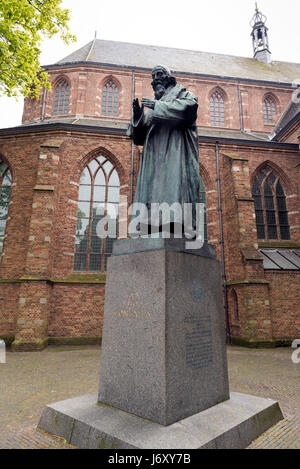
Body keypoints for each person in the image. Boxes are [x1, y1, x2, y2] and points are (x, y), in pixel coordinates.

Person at [127, 65, 201, 236]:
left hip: (174, 153)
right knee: (153, 191)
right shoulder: (153, 108)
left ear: (169, 77)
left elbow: (189, 110)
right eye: (153, 76)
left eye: (159, 74)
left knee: (172, 186)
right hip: (153, 158)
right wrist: (138, 117)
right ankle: (149, 224)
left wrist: (157, 105)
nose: (156, 79)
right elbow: (138, 138)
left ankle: (175, 222)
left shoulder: (184, 95)